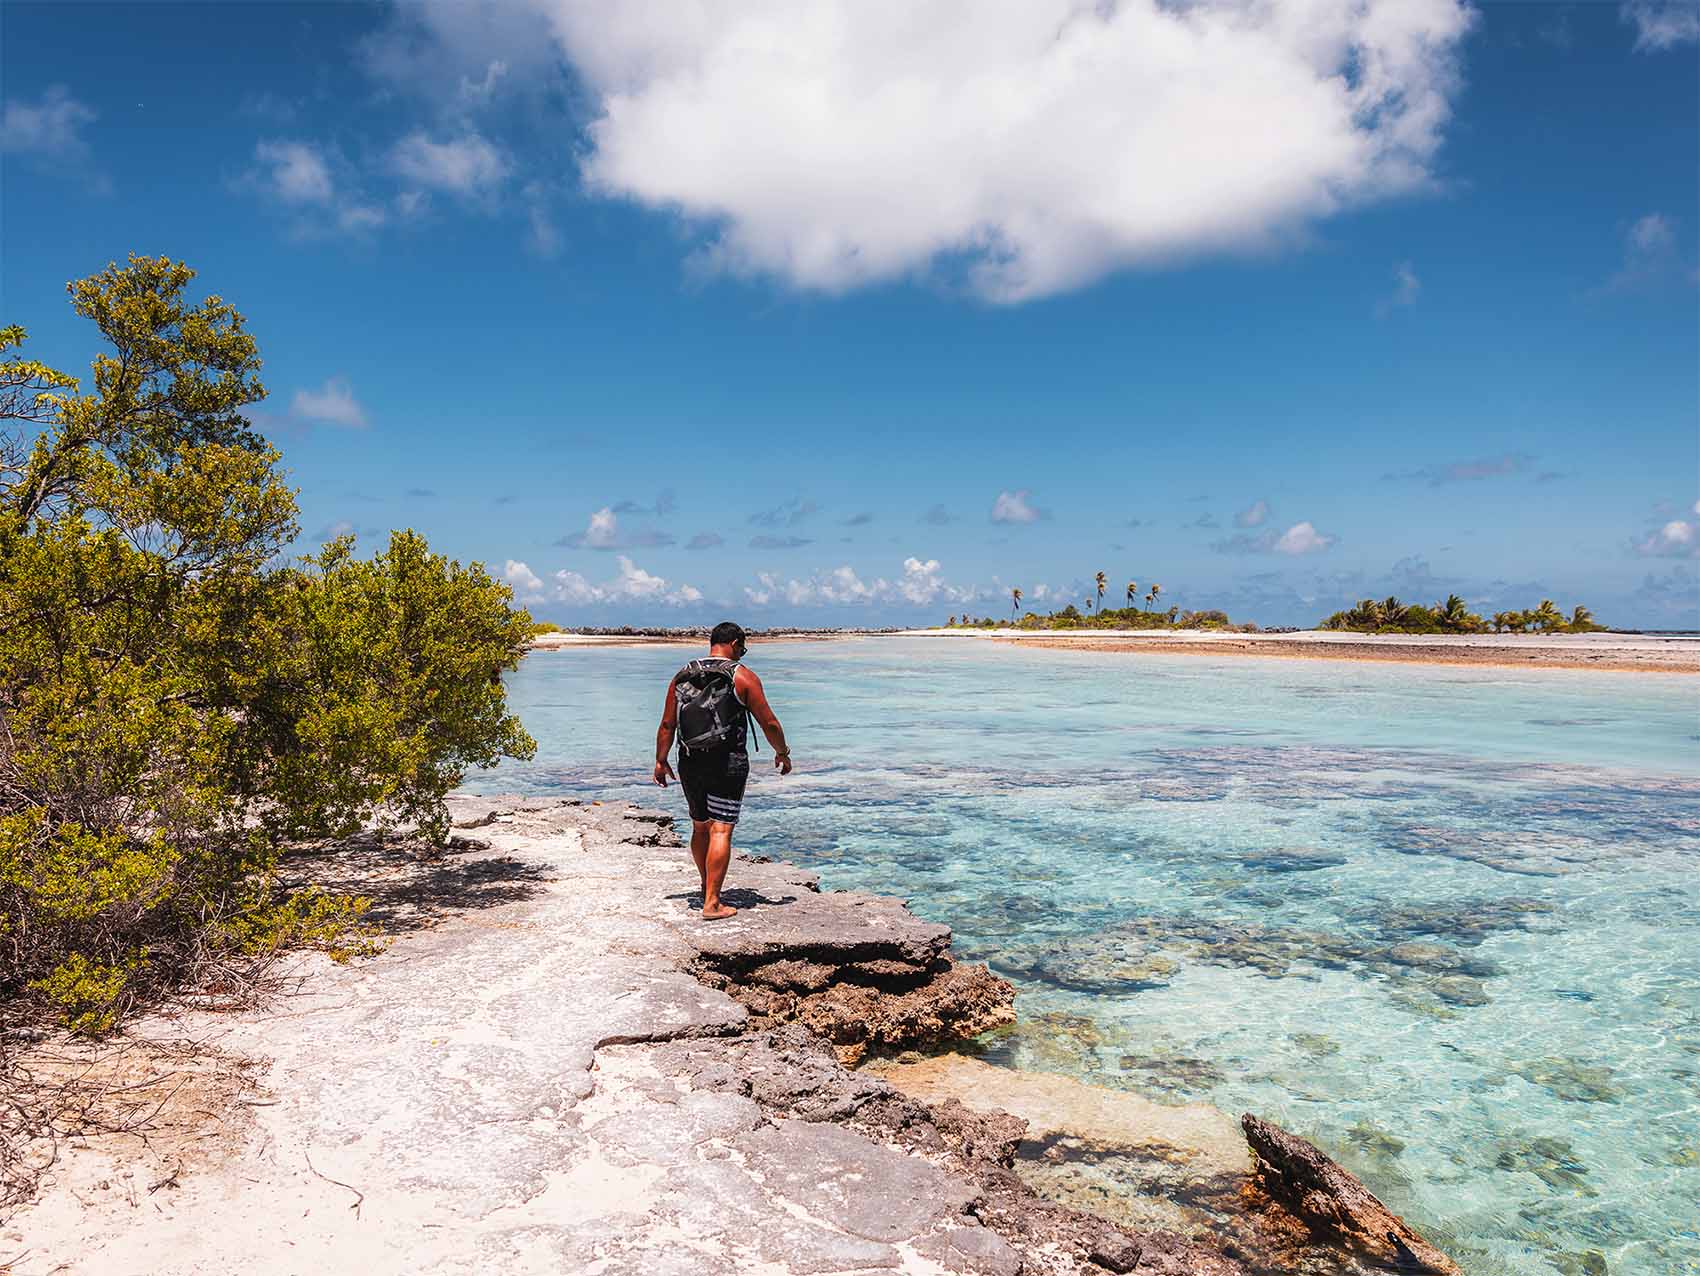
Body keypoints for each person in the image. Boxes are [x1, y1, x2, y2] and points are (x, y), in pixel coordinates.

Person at [653, 621, 792, 920]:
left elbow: (667, 724)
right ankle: (712, 903)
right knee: (721, 828)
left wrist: (660, 760)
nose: (743, 652)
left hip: (689, 760)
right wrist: (782, 752)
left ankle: (706, 886)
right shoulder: (742, 676)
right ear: (735, 642)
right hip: (726, 761)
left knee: (700, 825)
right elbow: (769, 723)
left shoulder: (682, 674)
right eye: (743, 647)